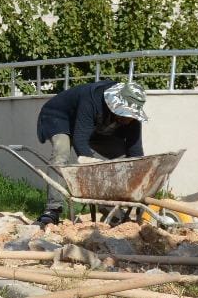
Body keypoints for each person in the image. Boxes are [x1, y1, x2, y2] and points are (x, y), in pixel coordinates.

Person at [34, 79, 149, 227]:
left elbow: (135, 150)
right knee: (61, 152)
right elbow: (80, 141)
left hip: (91, 127)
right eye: (125, 115)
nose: (128, 120)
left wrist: (139, 184)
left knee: (121, 155)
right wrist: (96, 179)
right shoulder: (92, 99)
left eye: (131, 116)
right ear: (115, 105)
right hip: (58, 117)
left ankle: (112, 206)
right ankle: (53, 210)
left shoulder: (131, 117)